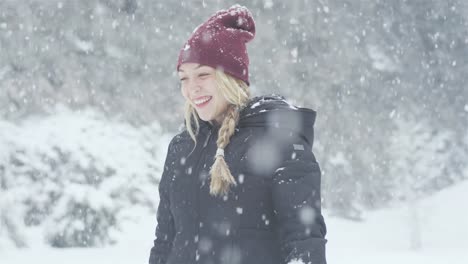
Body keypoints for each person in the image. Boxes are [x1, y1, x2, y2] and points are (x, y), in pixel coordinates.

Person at [149, 5, 327, 264]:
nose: (192, 88)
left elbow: (304, 243)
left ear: (230, 78)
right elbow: (165, 241)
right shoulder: (182, 147)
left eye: (203, 74)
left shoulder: (279, 141)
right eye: (183, 79)